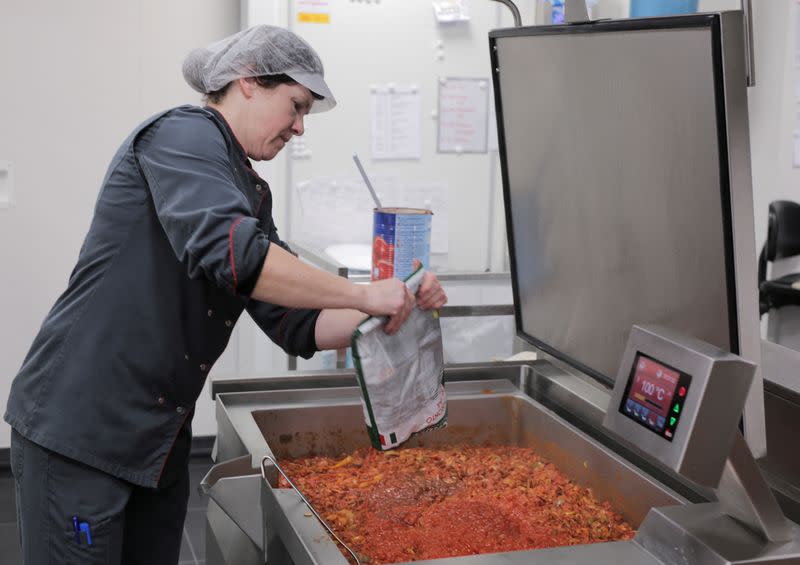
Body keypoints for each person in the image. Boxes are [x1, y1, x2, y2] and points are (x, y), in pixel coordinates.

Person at [4, 25, 447, 564]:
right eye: (297, 105)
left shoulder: (247, 191)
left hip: (157, 438)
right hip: (84, 432)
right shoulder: (183, 135)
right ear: (248, 83)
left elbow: (296, 323)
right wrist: (361, 295)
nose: (301, 128)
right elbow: (235, 255)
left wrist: (397, 302)